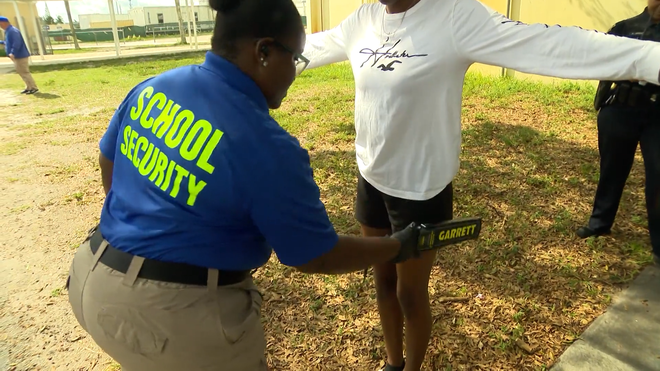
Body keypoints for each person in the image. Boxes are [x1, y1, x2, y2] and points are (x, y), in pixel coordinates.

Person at [64, 0, 425, 370]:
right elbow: (316, 255)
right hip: (168, 317)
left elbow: (109, 160)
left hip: (91, 277)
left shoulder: (154, 87)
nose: (295, 72)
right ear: (264, 52)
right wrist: (393, 247)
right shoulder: (266, 145)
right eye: (295, 59)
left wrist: (138, 224)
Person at [301, 0, 660, 369]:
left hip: (421, 190)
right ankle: (393, 363)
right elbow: (308, 48)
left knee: (409, 293)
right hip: (371, 176)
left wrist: (649, 59)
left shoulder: (454, 15)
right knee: (381, 282)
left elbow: (543, 44)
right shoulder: (364, 18)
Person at [578, 0, 660, 266]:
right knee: (612, 169)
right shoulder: (625, 28)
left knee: (658, 176)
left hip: (657, 115)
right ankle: (600, 223)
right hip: (621, 109)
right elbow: (604, 63)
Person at [0, 16, 38, 94]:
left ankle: (33, 88)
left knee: (24, 72)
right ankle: (28, 87)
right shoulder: (8, 31)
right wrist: (1, 42)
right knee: (21, 72)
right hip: (17, 56)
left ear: (3, 23)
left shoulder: (12, 31)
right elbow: (9, 42)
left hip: (20, 55)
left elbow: (17, 43)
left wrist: (13, 52)